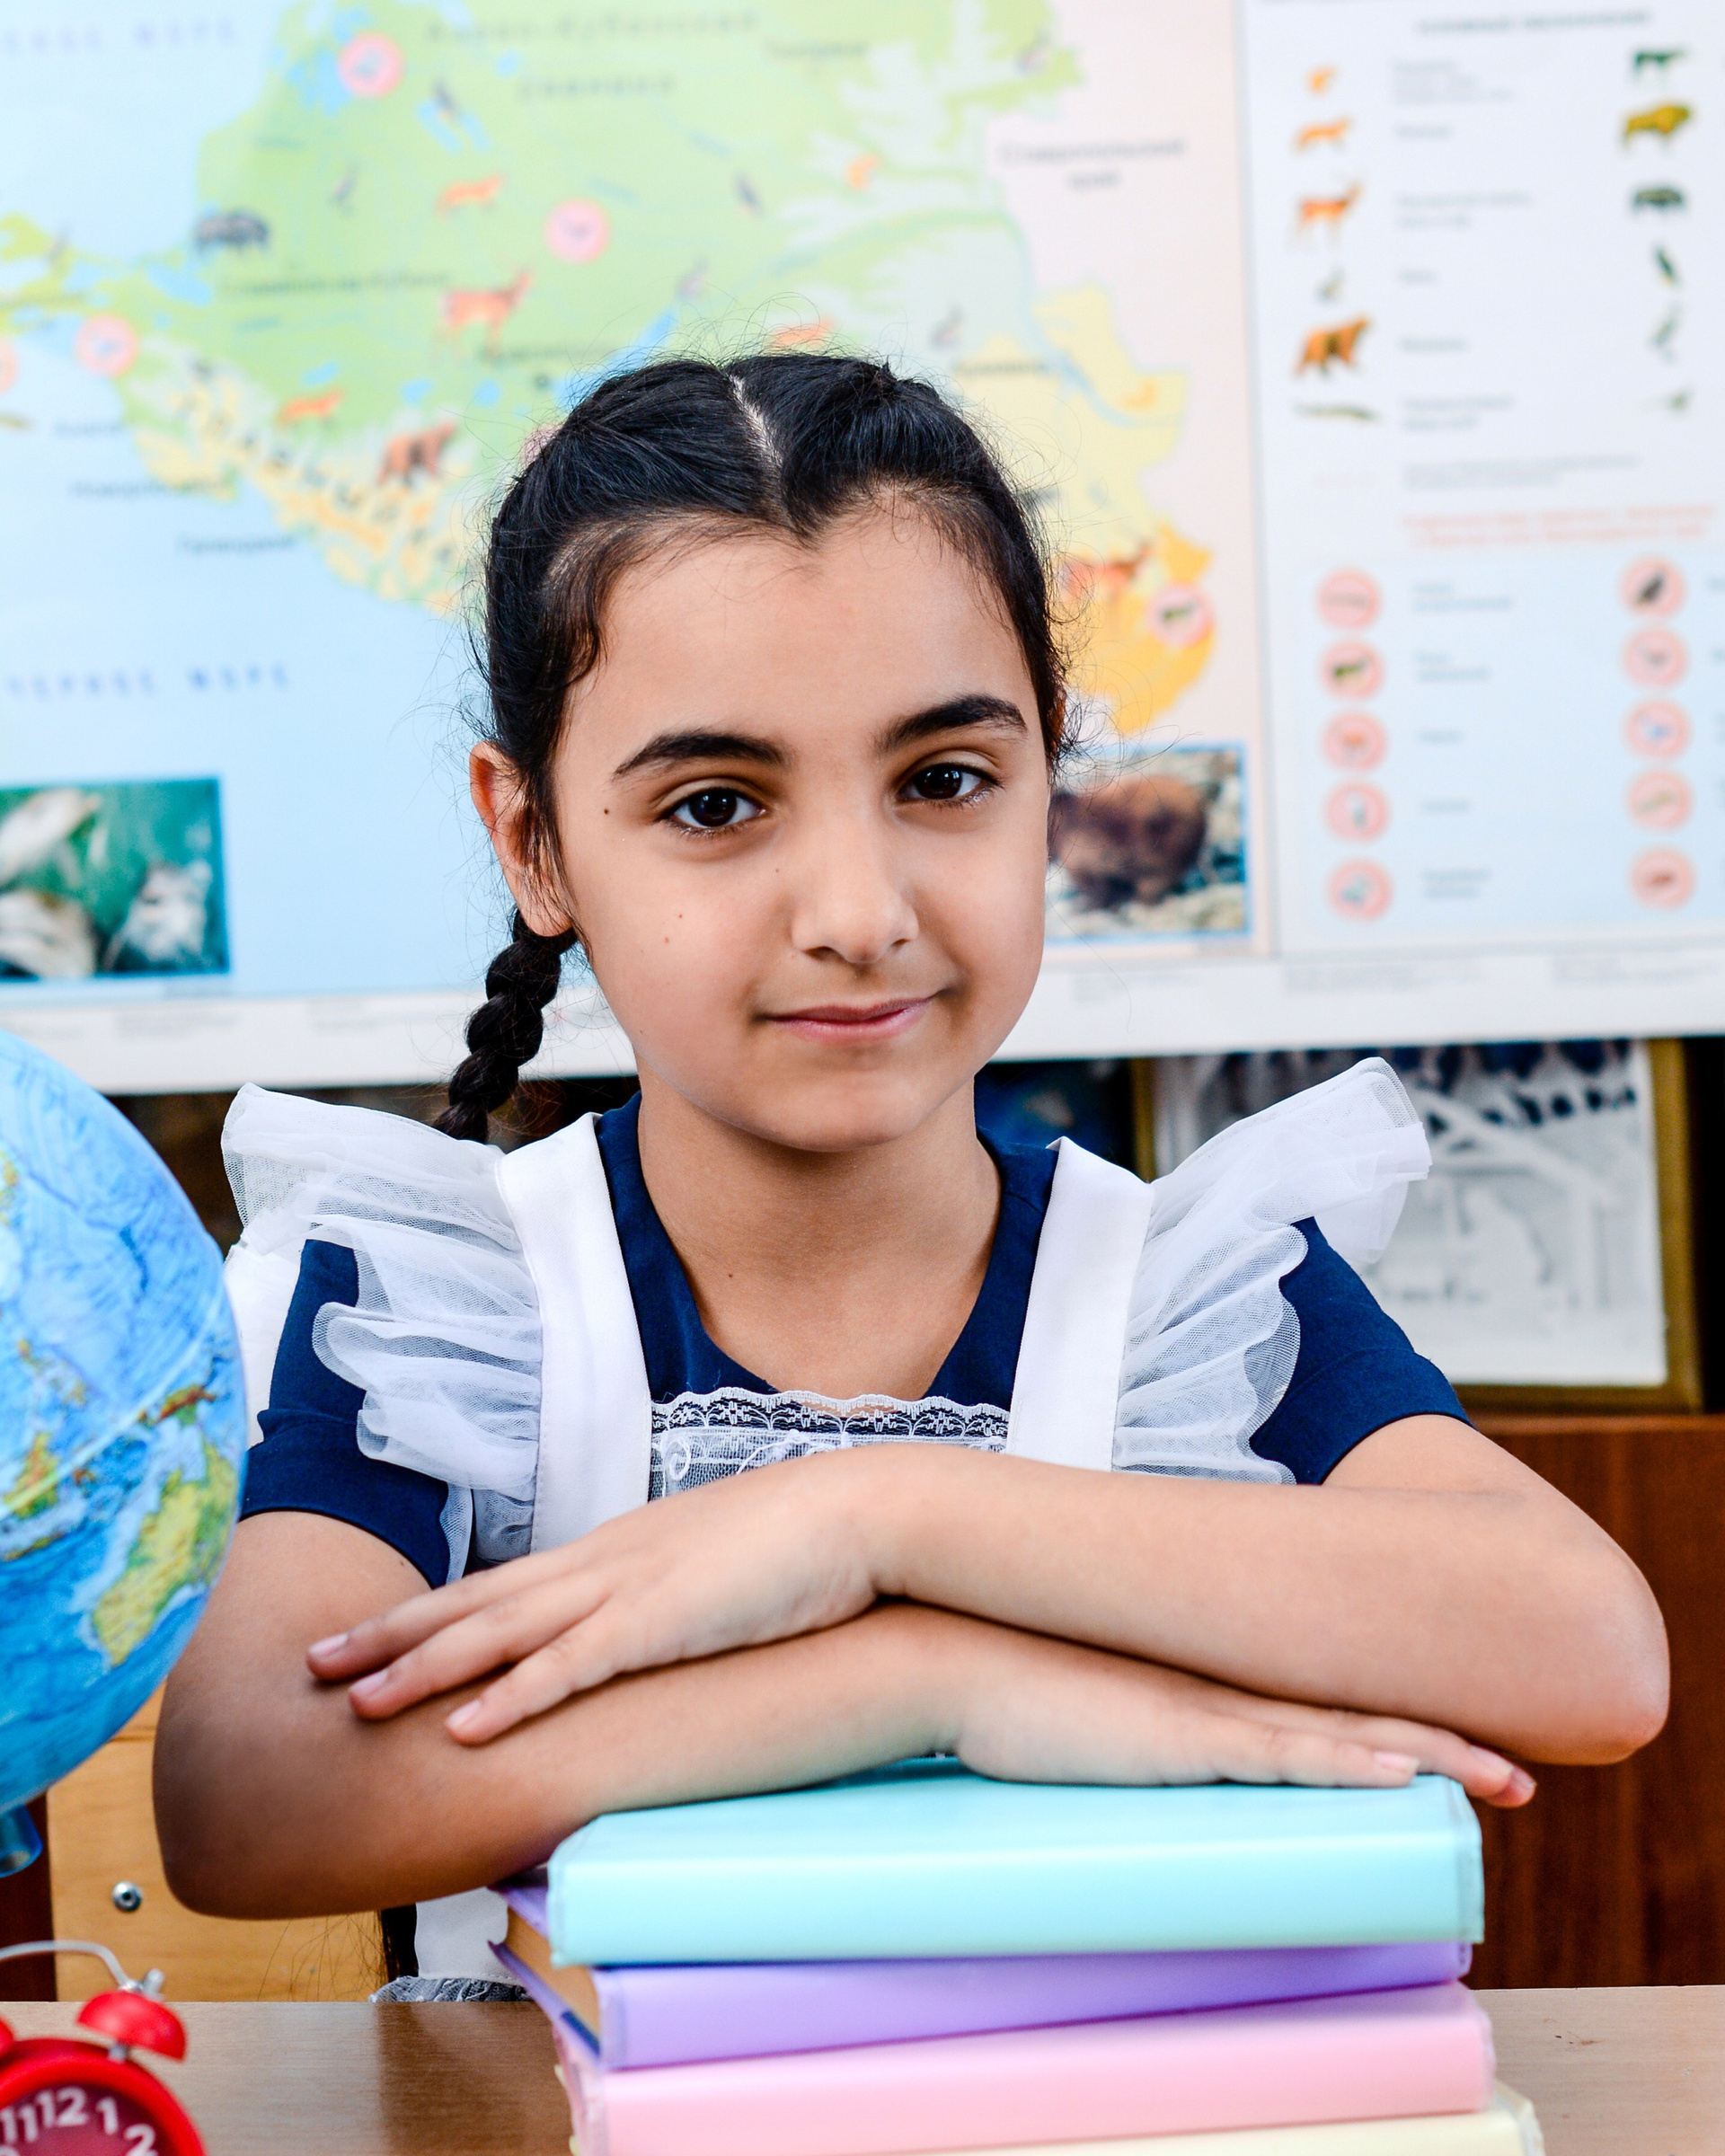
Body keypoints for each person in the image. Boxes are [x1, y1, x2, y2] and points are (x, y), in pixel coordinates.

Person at [156, 355, 1666, 1988]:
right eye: (716, 805)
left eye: (944, 780)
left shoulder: (1182, 1300)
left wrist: (880, 1513)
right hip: (560, 2155)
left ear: (1048, 779)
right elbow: (250, 1800)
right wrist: (927, 1677)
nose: (859, 911)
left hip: (1090, 2146)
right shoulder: (449, 1308)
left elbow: (1591, 1652)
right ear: (534, 842)